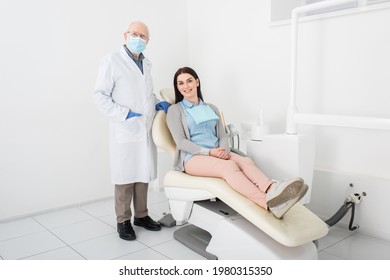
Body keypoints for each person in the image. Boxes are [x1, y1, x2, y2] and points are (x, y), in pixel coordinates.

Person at [166, 67, 308, 219]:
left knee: (245, 161)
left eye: (189, 81)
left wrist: (224, 151)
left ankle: (273, 189)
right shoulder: (175, 110)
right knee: (229, 166)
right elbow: (181, 142)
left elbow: (223, 135)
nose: (186, 86)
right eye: (180, 83)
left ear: (197, 82)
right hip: (193, 157)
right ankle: (267, 202)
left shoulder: (211, 108)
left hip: (218, 153)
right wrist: (209, 152)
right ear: (177, 87)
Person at [93, 21, 170, 240]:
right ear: (125, 35)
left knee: (143, 174)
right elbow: (99, 95)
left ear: (148, 41)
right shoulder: (112, 61)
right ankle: (123, 221)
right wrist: (123, 114)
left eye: (142, 36)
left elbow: (145, 94)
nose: (138, 38)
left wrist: (157, 103)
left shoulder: (147, 64)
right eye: (134, 34)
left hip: (143, 129)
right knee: (125, 177)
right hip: (125, 128)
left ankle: (142, 215)